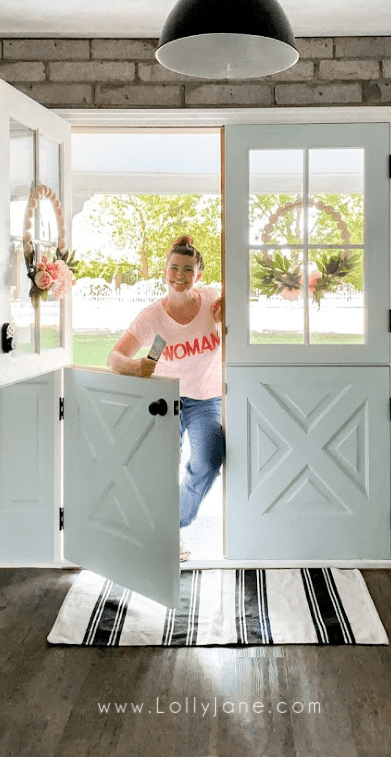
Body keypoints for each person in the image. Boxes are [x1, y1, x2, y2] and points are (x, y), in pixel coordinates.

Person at [107, 235, 224, 562]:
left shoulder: (214, 301)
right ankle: (165, 535)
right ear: (165, 271)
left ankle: (173, 523)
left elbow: (237, 322)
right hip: (166, 399)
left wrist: (227, 316)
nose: (180, 274)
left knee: (209, 460)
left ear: (197, 275)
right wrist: (134, 366)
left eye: (187, 269)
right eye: (174, 267)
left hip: (205, 399)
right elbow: (113, 357)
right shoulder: (152, 318)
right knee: (161, 467)